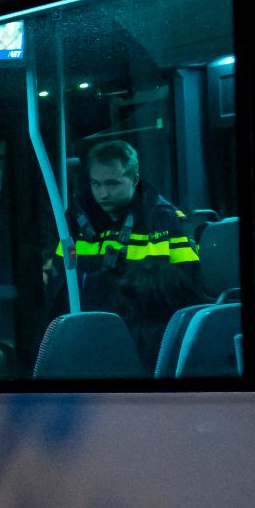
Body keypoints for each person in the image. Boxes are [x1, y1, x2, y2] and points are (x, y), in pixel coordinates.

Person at [46, 140, 207, 366]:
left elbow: (187, 290)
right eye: (96, 184)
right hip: (85, 333)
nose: (103, 193)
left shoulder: (163, 220)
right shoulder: (76, 221)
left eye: (112, 184)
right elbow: (58, 285)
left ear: (134, 180)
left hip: (143, 339)